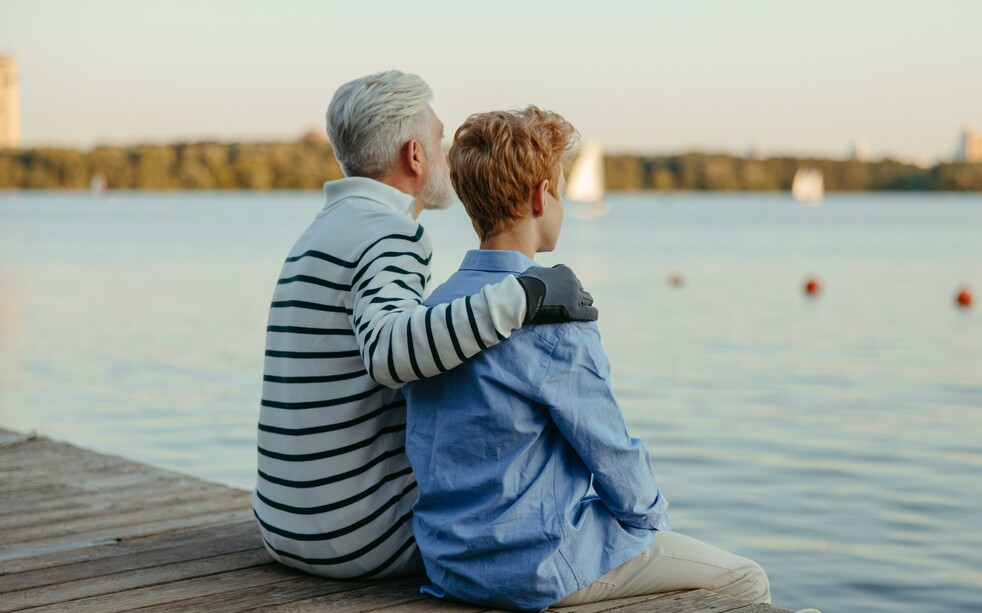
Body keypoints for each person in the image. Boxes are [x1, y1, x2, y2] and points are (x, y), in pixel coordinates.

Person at [402, 106, 770, 611]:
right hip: (538, 565)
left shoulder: (432, 313)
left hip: (449, 563)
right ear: (541, 197)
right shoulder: (555, 318)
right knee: (746, 580)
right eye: (560, 189)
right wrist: (651, 527)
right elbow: (612, 453)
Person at [253, 71, 597, 581]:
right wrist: (526, 295)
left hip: (284, 527)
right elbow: (390, 353)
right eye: (438, 139)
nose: (446, 153)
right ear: (414, 156)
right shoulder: (391, 233)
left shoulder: (322, 230)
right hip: (363, 537)